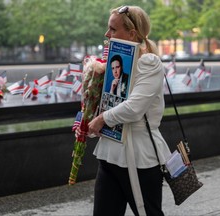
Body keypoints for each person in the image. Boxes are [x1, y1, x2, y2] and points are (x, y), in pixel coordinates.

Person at [80, 5, 172, 216]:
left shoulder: (149, 62)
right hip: (110, 152)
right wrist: (88, 117)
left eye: (113, 29)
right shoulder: (115, 62)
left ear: (132, 33)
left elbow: (134, 108)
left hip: (138, 156)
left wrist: (101, 119)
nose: (107, 34)